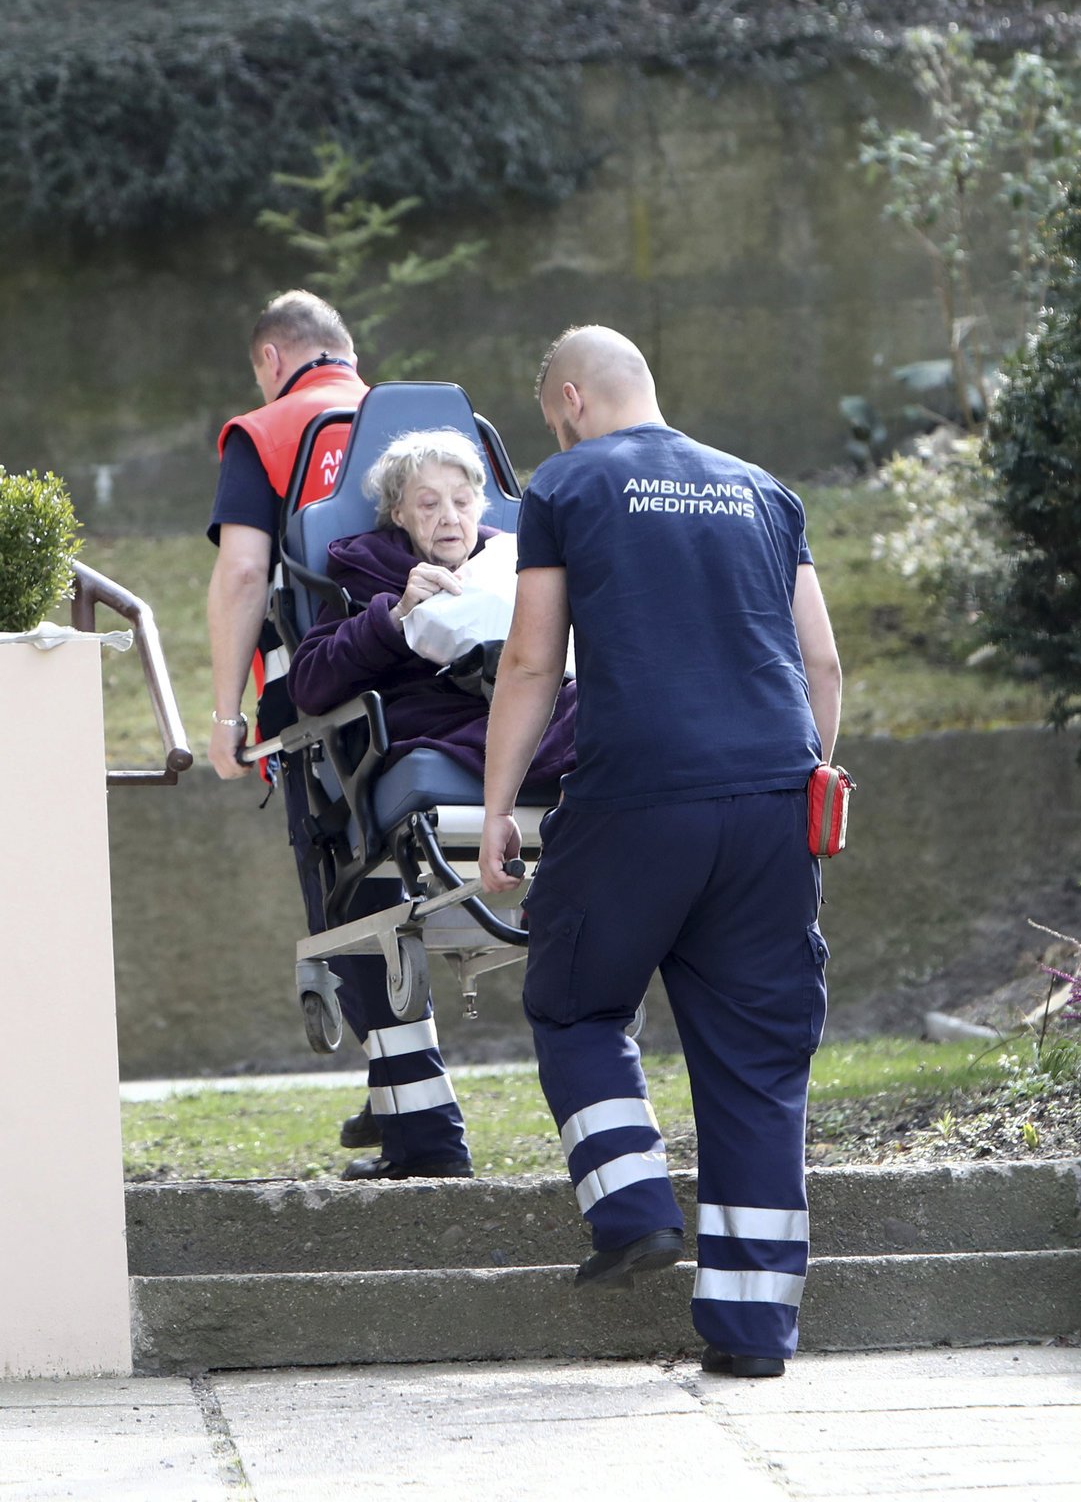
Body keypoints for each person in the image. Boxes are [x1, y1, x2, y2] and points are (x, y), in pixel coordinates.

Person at [480, 325, 842, 1378]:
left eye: (553, 411)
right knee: (757, 1064)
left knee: (575, 1000)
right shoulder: (763, 490)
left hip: (636, 799)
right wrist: (806, 776)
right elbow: (819, 659)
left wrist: (502, 801)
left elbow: (531, 656)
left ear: (571, 396)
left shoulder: (568, 482)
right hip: (774, 804)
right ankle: (752, 1331)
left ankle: (631, 1201)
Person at [207, 290, 470, 1180]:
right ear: (347, 355)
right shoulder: (430, 433)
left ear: (273, 358)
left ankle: (421, 1128)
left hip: (330, 706)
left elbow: (246, 571)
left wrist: (224, 717)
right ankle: (398, 1103)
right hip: (472, 711)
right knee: (384, 894)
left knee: (351, 897)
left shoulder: (266, 428)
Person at [288, 427, 576, 785]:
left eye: (462, 501)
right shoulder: (368, 570)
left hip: (525, 702)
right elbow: (308, 684)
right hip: (440, 721)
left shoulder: (510, 561)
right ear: (398, 514)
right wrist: (394, 619)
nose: (450, 518)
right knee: (590, 719)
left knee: (608, 699)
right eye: (429, 504)